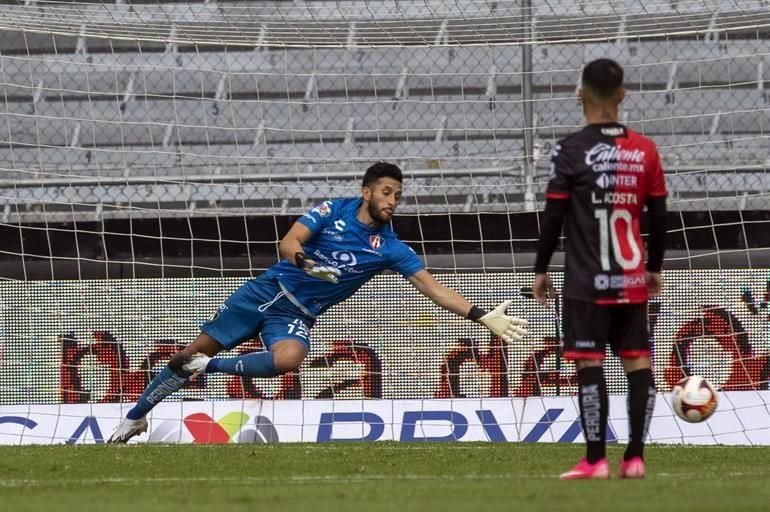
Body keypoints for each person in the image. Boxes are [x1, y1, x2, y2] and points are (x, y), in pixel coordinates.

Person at [109, 161, 529, 443]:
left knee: (289, 358)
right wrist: (306, 262)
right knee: (184, 356)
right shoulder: (333, 210)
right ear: (366, 192)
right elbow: (287, 241)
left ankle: (210, 368)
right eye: (386, 192)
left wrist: (479, 314)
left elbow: (432, 287)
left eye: (398, 195)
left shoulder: (390, 246)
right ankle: (138, 414)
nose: (393, 201)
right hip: (266, 292)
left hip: (297, 313)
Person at [531, 59, 667, 479]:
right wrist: (654, 267)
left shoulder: (570, 149)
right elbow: (659, 215)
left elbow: (554, 216)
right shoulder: (645, 149)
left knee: (589, 363)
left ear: (581, 94)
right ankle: (636, 457)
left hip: (586, 278)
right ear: (623, 95)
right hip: (631, 276)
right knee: (638, 363)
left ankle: (595, 460)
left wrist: (540, 268)